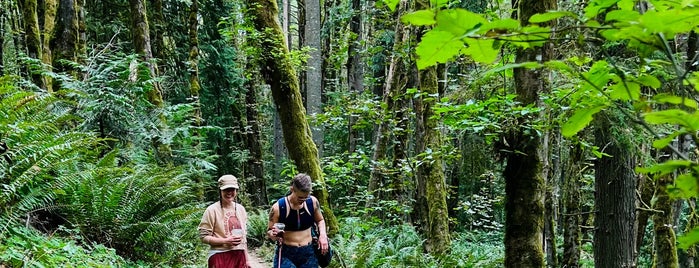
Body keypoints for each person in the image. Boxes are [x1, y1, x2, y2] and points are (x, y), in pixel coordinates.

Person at [267, 173, 329, 268]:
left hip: (308, 252)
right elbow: (269, 232)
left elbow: (320, 220)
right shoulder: (278, 208)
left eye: (306, 197)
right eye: (300, 197)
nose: (303, 200)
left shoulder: (312, 202)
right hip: (286, 253)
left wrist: (323, 236)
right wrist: (274, 234)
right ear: (292, 189)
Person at [199, 174, 251, 268]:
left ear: (236, 191)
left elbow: (244, 239)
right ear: (220, 190)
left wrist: (247, 260)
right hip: (219, 254)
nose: (229, 192)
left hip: (239, 255)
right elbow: (204, 237)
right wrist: (225, 241)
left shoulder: (240, 209)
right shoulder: (212, 210)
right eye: (226, 189)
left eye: (232, 189)